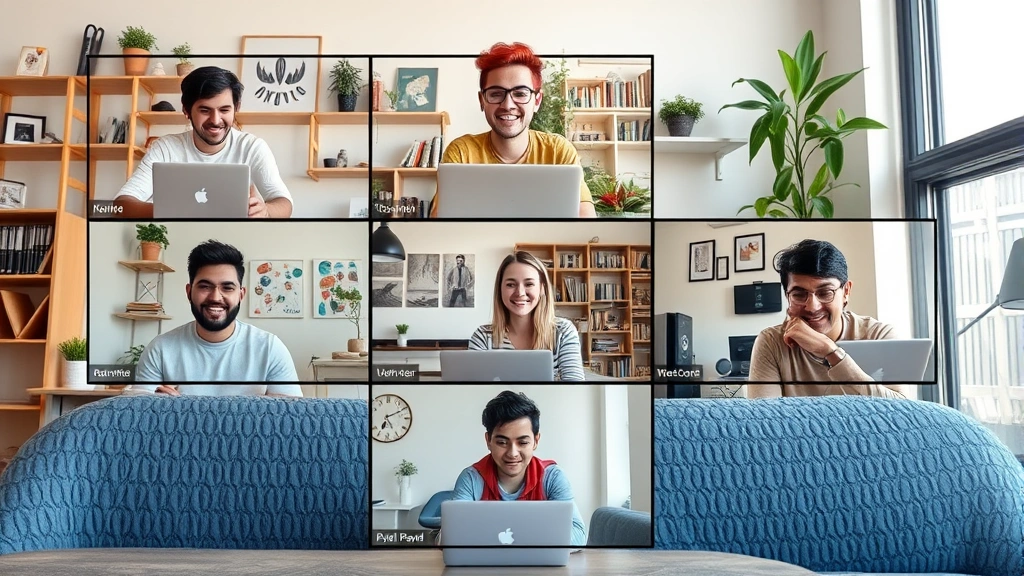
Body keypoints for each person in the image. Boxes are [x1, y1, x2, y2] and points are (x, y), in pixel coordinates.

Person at [430, 42, 597, 218]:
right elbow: (440, 219)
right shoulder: (461, 152)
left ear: (537, 101)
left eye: (520, 93)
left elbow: (585, 221)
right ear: (482, 100)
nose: (508, 105)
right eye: (496, 93)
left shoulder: (558, 151)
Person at [113, 66, 294, 219]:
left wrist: (266, 210)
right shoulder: (165, 148)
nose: (216, 120)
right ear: (186, 110)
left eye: (224, 110)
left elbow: (284, 204)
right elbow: (120, 206)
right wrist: (173, 212)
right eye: (205, 110)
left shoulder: (252, 147)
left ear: (236, 108)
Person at [746, 239, 906, 398]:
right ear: (787, 296)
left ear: (846, 292)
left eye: (825, 293)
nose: (812, 306)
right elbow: (763, 420)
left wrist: (831, 352)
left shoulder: (879, 336)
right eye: (799, 295)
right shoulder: (771, 342)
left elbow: (901, 413)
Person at [132, 239, 301, 387]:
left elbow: (287, 419)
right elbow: (141, 416)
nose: (215, 297)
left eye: (227, 288)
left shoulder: (270, 348)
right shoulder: (160, 349)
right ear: (189, 292)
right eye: (205, 286)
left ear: (241, 295)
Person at [451, 390, 587, 547]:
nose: (512, 453)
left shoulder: (552, 477)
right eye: (502, 443)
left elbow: (578, 534)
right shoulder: (471, 478)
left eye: (522, 443)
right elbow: (454, 535)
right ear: (488, 441)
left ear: (536, 441)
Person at [468, 251, 585, 381]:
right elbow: (474, 390)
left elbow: (574, 387)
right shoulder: (483, 337)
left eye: (529, 284)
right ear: (500, 289)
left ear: (542, 288)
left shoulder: (563, 332)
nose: (520, 293)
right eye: (511, 285)